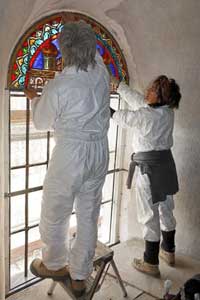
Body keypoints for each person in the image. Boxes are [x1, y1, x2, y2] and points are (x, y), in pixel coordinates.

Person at [24, 21, 110, 297]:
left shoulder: (60, 85)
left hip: (71, 153)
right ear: (91, 48)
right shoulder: (102, 73)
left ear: (64, 51)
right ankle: (80, 276)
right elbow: (89, 53)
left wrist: (34, 99)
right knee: (88, 214)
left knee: (55, 209)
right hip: (99, 151)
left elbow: (41, 121)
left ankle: (54, 263)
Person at [110, 75, 181, 277]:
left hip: (148, 171)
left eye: (150, 90)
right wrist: (120, 86)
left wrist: (102, 108)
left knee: (149, 215)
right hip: (166, 167)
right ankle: (169, 251)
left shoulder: (145, 116)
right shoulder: (167, 112)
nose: (146, 92)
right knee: (166, 208)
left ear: (158, 97)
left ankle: (150, 262)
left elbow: (122, 117)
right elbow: (139, 101)